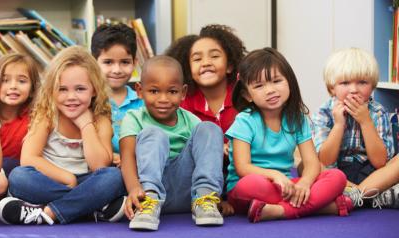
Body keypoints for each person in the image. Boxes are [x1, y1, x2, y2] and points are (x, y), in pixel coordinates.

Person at [0, 46, 126, 225]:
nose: (71, 96)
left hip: (88, 181)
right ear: (52, 90)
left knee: (114, 177)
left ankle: (48, 212)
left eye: (80, 89)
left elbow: (99, 166)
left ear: (95, 90)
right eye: (63, 89)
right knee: (19, 177)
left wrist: (85, 124)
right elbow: (28, 158)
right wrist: (68, 178)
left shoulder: (100, 119)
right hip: (51, 180)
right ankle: (92, 208)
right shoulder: (47, 114)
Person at [226, 48, 351, 223]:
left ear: (289, 82)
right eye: (259, 86)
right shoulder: (244, 121)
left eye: (277, 81)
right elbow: (243, 168)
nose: (270, 90)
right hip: (251, 187)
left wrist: (305, 183)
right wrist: (275, 176)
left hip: (288, 186)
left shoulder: (297, 118)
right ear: (247, 95)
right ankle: (322, 207)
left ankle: (279, 211)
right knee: (252, 184)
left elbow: (311, 163)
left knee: (337, 177)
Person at [120, 55, 224, 231]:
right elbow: (127, 158)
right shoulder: (133, 118)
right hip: (149, 190)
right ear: (139, 90)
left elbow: (207, 159)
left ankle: (206, 197)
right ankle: (149, 204)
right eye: (154, 91)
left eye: (172, 91)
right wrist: (134, 189)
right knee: (153, 133)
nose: (163, 99)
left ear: (183, 92)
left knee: (210, 129)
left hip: (189, 192)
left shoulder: (191, 120)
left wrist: (221, 197)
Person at [166, 24, 246, 216]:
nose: (206, 62)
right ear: (187, 69)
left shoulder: (244, 96)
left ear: (230, 65)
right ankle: (207, 198)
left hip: (238, 167)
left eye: (215, 56)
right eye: (197, 58)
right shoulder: (183, 101)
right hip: (198, 171)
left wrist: (231, 147)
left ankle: (227, 197)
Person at [312, 47, 399, 209]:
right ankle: (371, 197)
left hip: (372, 173)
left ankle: (354, 196)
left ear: (372, 86)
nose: (353, 89)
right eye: (345, 83)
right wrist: (339, 125)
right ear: (332, 88)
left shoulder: (378, 112)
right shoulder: (323, 113)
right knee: (308, 164)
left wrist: (366, 122)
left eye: (362, 82)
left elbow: (380, 162)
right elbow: (325, 160)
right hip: (336, 174)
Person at [91, 23, 144, 166]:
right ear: (93, 63)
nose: (117, 70)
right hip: (101, 167)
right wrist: (111, 156)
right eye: (108, 62)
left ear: (135, 63)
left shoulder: (143, 102)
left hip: (138, 167)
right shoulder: (88, 102)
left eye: (125, 62)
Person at [0, 53, 40, 198]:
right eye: (5, 80)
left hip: (19, 179)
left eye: (22, 81)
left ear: (32, 89)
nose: (13, 86)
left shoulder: (35, 119)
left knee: (14, 167)